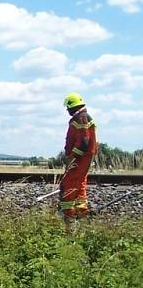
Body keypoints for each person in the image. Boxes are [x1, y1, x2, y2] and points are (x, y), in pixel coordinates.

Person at [59, 92, 98, 223]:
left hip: (80, 158)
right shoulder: (82, 117)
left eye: (68, 107)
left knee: (69, 183)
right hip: (83, 157)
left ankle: (68, 215)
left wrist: (73, 157)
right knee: (80, 183)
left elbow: (83, 141)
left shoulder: (81, 118)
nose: (67, 110)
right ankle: (82, 213)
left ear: (72, 106)